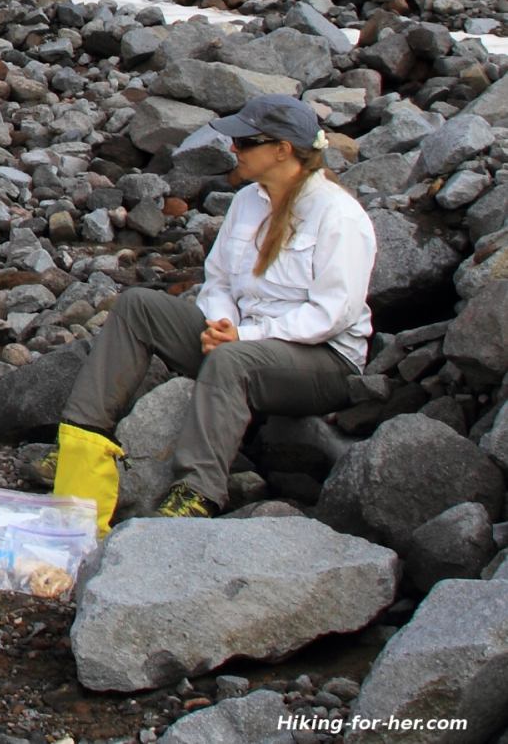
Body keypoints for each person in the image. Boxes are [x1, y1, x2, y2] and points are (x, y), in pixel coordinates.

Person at [52, 92, 375, 528]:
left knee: (230, 359)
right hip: (242, 340)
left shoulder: (339, 216)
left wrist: (242, 338)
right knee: (138, 306)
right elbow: (219, 278)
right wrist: (222, 322)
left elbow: (332, 314)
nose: (233, 149)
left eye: (245, 143)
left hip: (323, 361)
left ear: (282, 150)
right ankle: (81, 452)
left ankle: (196, 493)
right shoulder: (248, 202)